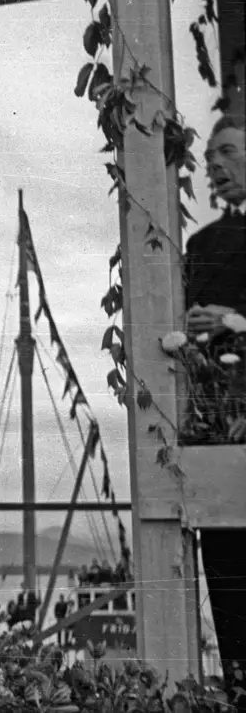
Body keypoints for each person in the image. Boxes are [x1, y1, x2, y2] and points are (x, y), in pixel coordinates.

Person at [184, 113, 246, 705]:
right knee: (229, 583)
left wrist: (233, 321)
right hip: (220, 430)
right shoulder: (202, 245)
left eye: (227, 151)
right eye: (210, 159)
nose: (216, 165)